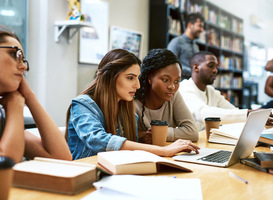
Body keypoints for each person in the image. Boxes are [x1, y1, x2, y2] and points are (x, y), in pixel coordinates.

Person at [65, 49, 200, 160]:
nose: (138, 85)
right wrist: (163, 151)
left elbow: (129, 149)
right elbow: (99, 140)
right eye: (130, 78)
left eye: (137, 77)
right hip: (84, 177)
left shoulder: (125, 107)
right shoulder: (82, 105)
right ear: (109, 77)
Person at [0, 26, 72, 163]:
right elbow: (5, 167)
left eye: (22, 60)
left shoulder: (2, 115)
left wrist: (29, 96)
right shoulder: (13, 105)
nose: (23, 67)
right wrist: (16, 105)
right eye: (13, 54)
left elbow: (61, 158)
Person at [179, 51, 273, 131]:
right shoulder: (185, 88)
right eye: (211, 66)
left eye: (216, 67)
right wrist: (249, 113)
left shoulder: (211, 92)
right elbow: (203, 114)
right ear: (196, 67)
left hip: (203, 140)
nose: (215, 70)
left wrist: (256, 118)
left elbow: (233, 112)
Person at [134, 49, 198, 144]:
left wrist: (161, 133)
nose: (172, 87)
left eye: (176, 81)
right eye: (165, 80)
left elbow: (192, 132)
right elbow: (124, 135)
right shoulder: (132, 100)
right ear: (150, 78)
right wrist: (141, 136)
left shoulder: (173, 96)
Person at [167, 13, 204, 80]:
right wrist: (193, 72)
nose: (202, 30)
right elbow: (170, 65)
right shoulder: (176, 42)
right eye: (199, 26)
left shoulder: (196, 47)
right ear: (190, 25)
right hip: (180, 86)